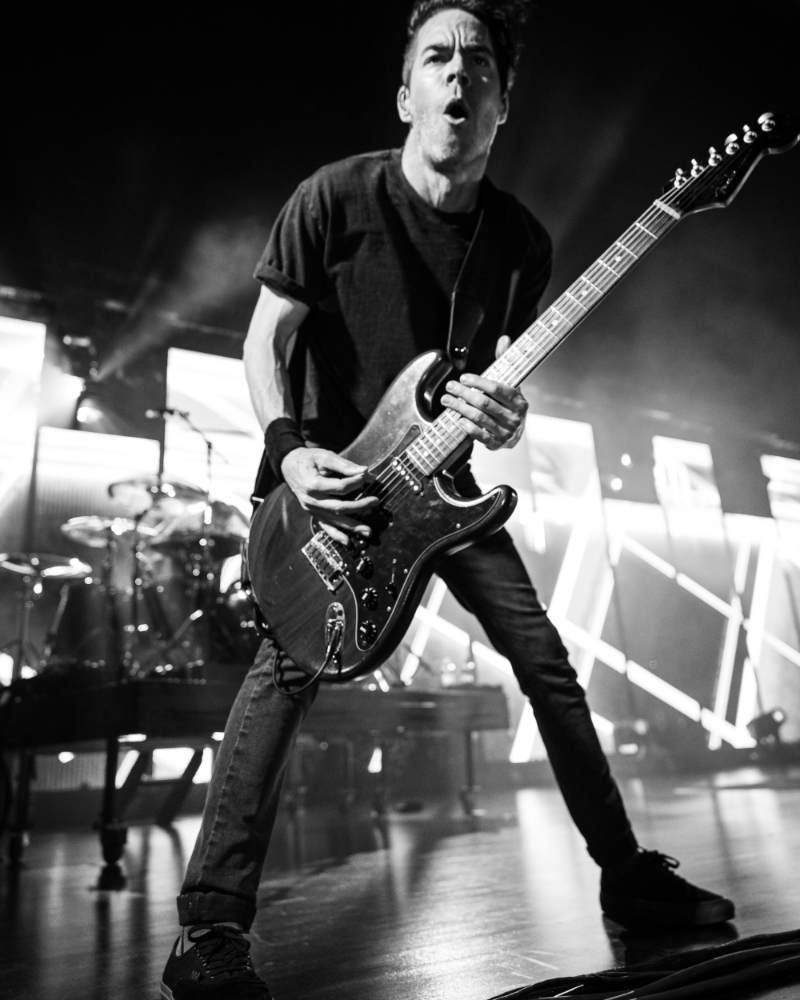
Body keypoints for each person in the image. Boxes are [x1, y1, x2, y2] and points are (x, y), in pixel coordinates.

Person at [160, 2, 735, 997]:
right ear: (406, 93)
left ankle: (626, 874)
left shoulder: (520, 243)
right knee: (284, 672)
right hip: (330, 489)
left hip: (441, 489)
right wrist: (290, 452)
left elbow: (490, 383)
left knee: (546, 663)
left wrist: (501, 417)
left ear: (502, 104)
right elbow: (266, 339)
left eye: (478, 62)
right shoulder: (333, 197)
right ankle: (208, 931)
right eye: (437, 56)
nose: (458, 72)